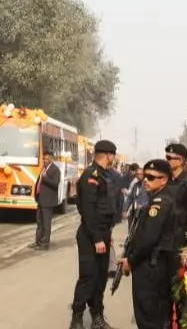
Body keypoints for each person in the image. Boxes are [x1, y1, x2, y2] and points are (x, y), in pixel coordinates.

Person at [120, 159, 178, 329]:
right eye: (145, 176)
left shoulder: (160, 203)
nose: (145, 180)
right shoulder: (155, 198)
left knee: (149, 318)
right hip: (151, 265)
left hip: (151, 268)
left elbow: (148, 239)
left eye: (151, 177)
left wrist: (130, 260)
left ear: (164, 180)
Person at [71, 139, 119, 329]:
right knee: (89, 276)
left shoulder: (104, 175)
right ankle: (76, 319)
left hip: (103, 233)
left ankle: (97, 317)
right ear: (108, 155)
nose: (113, 158)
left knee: (100, 277)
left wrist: (107, 234)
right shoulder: (91, 175)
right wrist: (98, 238)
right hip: (91, 234)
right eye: (112, 155)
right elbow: (88, 210)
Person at [164, 142, 187, 325]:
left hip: (180, 249)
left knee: (181, 299)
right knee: (164, 300)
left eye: (171, 158)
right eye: (166, 157)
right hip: (164, 248)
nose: (167, 161)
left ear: (182, 161)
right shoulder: (165, 182)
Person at [32, 150, 61, 250]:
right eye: (44, 159)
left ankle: (45, 244)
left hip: (48, 201)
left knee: (46, 223)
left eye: (47, 158)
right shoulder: (44, 169)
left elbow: (56, 184)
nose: (45, 160)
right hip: (41, 199)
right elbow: (39, 182)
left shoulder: (54, 169)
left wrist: (46, 178)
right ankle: (38, 241)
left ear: (51, 159)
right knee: (39, 222)